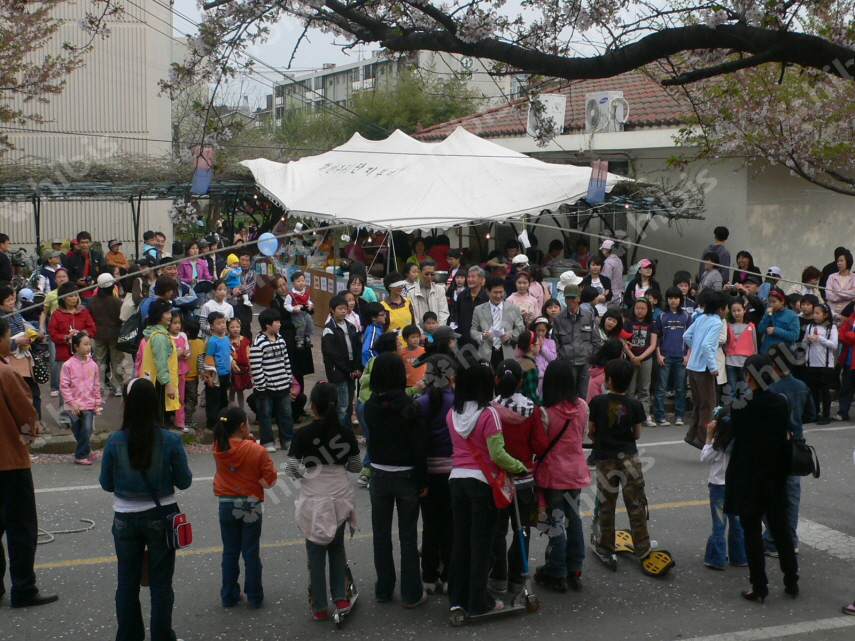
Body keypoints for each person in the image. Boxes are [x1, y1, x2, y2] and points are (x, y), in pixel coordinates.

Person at [99, 377, 193, 640]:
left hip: (125, 519)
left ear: (127, 405)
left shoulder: (114, 440)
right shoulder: (170, 440)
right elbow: (184, 481)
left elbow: (106, 484)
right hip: (161, 516)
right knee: (161, 584)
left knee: (126, 583)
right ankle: (162, 636)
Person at [447, 353, 527, 616]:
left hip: (456, 480)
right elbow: (498, 454)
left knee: (460, 541)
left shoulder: (453, 413)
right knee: (481, 544)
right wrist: (519, 467)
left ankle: (458, 597)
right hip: (482, 484)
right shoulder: (489, 414)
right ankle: (479, 601)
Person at [723, 353, 799, 603]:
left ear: (748, 375)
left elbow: (736, 433)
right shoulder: (780, 401)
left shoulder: (740, 403)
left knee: (752, 531)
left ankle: (759, 585)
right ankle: (791, 580)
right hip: (775, 472)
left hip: (747, 473)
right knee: (780, 528)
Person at [286, 382, 362, 620]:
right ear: (338, 405)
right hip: (339, 495)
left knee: (315, 550)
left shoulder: (303, 434)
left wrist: (305, 476)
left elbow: (290, 468)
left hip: (313, 497)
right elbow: (356, 466)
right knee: (337, 547)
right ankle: (340, 597)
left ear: (313, 406)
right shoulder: (346, 433)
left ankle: (319, 606)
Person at [363, 352, 428, 607]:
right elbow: (419, 448)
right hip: (407, 474)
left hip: (378, 474)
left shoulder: (369, 407)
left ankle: (384, 588)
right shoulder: (412, 407)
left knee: (381, 535)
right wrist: (423, 481)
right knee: (408, 536)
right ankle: (411, 592)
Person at [0, 315, 56, 607]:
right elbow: (27, 416)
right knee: (21, 528)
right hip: (10, 462)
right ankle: (23, 588)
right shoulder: (6, 373)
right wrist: (26, 439)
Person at [589, 358, 658, 566]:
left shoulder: (597, 402)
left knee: (606, 504)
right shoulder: (635, 404)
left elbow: (591, 432)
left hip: (605, 459)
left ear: (608, 380)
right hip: (629, 457)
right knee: (635, 502)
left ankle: (605, 547)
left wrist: (601, 438)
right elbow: (636, 434)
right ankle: (642, 546)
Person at [488, 359, 547, 595]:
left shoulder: (490, 409)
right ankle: (517, 577)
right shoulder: (532, 409)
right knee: (521, 530)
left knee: (498, 530)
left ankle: (498, 576)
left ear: (496, 380)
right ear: (521, 382)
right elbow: (540, 444)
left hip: (498, 482)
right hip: (524, 481)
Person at [532, 359, 590, 592]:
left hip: (553, 473)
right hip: (575, 470)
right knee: (573, 517)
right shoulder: (583, 406)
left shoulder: (545, 412)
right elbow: (583, 434)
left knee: (555, 520)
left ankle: (556, 569)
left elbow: (540, 444)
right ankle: (575, 567)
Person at [213, 406, 277, 609]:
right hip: (250, 503)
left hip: (226, 503)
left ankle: (229, 594)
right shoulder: (257, 450)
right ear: (242, 426)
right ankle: (255, 595)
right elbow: (270, 479)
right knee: (251, 551)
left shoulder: (218, 447)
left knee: (230, 552)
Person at [417, 355, 456, 595]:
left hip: (428, 473)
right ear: (451, 378)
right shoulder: (459, 402)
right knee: (451, 525)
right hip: (453, 471)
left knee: (430, 525)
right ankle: (450, 575)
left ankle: (429, 576)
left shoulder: (420, 403)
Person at [701, 408, 747, 570]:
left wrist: (708, 437)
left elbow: (705, 458)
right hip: (737, 486)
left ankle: (716, 559)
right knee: (737, 523)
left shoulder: (717, 443)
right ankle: (739, 557)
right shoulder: (742, 442)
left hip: (718, 486)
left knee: (719, 524)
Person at [682, 291, 729, 449]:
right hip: (704, 369)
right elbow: (707, 346)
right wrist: (713, 367)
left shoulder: (701, 318)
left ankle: (691, 434)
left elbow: (686, 336)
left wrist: (694, 350)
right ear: (721, 309)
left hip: (692, 366)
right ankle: (703, 439)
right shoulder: (716, 323)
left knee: (698, 403)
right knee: (708, 404)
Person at [250, 308, 294, 453]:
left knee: (286, 415)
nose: (279, 324)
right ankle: (267, 441)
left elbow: (286, 360)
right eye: (277, 322)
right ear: (268, 324)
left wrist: (289, 379)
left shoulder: (280, 339)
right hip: (266, 388)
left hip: (282, 385)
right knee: (265, 416)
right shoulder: (259, 342)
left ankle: (287, 440)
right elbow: (256, 366)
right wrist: (261, 386)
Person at [552, 284, 603, 399]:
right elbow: (555, 343)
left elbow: (596, 340)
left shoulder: (588, 315)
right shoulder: (558, 318)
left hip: (586, 363)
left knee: (585, 394)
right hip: (567, 363)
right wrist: (560, 361)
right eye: (567, 297)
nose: (570, 300)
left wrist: (593, 359)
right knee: (568, 395)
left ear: (579, 298)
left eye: (573, 297)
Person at [60, 333, 102, 465]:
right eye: (85, 344)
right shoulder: (68, 365)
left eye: (89, 344)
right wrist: (72, 403)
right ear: (76, 347)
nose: (89, 347)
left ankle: (79, 455)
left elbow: (96, 385)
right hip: (74, 405)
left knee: (87, 429)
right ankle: (87, 449)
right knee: (77, 430)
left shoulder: (93, 365)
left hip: (89, 404)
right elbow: (64, 386)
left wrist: (97, 403)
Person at [322, 295, 362, 428]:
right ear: (332, 310)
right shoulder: (329, 329)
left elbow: (357, 347)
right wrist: (347, 369)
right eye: (340, 308)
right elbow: (332, 354)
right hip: (338, 372)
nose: (343, 311)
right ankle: (339, 434)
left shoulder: (351, 327)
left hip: (351, 371)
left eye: (345, 308)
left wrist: (356, 367)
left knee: (349, 406)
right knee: (342, 407)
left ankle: (348, 434)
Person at [654, 287, 692, 427]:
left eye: (676, 298)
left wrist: (688, 355)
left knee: (681, 388)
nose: (673, 300)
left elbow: (690, 338)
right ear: (667, 299)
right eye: (670, 298)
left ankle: (679, 416)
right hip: (665, 356)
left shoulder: (687, 317)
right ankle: (660, 416)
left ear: (680, 299)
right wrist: (658, 354)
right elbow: (656, 338)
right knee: (661, 388)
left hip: (681, 356)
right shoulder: (661, 316)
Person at [471, 276, 525, 371]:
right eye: (495, 292)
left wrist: (510, 335)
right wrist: (482, 336)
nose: (499, 295)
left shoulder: (514, 309)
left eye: (501, 292)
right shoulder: (479, 310)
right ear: (487, 291)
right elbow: (473, 330)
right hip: (486, 352)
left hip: (506, 352)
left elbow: (520, 329)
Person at [140, 299, 180, 426]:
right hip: (160, 384)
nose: (170, 316)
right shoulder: (160, 337)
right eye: (167, 313)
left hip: (156, 381)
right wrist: (168, 385)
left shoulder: (158, 333)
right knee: (161, 421)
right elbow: (161, 363)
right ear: (158, 315)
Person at [623, 297, 659, 426]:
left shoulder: (652, 324)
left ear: (648, 310)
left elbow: (653, 345)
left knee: (645, 389)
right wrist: (632, 357)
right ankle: (629, 416)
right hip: (630, 358)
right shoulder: (628, 323)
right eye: (637, 308)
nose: (640, 311)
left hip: (646, 359)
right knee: (630, 389)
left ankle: (645, 415)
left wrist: (640, 357)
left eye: (643, 308)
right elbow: (623, 341)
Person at [89, 273, 125, 397]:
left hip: (98, 334)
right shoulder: (116, 301)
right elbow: (121, 318)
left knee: (99, 361)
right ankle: (118, 387)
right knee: (116, 361)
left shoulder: (92, 301)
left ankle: (99, 388)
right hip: (115, 334)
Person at [803, 303, 837, 424]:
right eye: (814, 313)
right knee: (813, 391)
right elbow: (803, 344)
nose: (815, 316)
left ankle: (826, 415)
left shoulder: (831, 328)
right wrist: (806, 341)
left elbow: (834, 345)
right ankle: (815, 413)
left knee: (825, 391)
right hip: (811, 363)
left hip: (825, 365)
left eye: (818, 313)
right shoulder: (810, 326)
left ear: (826, 315)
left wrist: (820, 339)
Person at [724, 299, 757, 400]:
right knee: (731, 390)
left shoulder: (751, 326)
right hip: (731, 361)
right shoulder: (728, 325)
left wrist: (754, 360)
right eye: (733, 311)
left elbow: (754, 344)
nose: (736, 313)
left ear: (744, 310)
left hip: (746, 362)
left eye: (739, 310)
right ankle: (731, 414)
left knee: (746, 389)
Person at [204, 312, 232, 429]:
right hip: (215, 375)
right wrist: (209, 376)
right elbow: (209, 358)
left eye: (223, 322)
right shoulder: (212, 341)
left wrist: (233, 364)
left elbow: (228, 353)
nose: (222, 325)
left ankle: (223, 420)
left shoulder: (226, 338)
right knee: (213, 400)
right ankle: (212, 423)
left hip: (226, 373)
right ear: (212, 326)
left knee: (223, 398)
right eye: (219, 323)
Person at [408, 259, 450, 330]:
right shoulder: (411, 292)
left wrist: (438, 329)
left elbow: (444, 312)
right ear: (420, 272)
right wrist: (420, 332)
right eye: (427, 274)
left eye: (432, 274)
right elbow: (413, 316)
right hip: (419, 334)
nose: (429, 276)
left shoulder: (440, 290)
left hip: (437, 331)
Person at [454, 266, 489, 348]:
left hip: (481, 341)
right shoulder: (462, 296)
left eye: (473, 277)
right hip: (463, 340)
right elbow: (457, 315)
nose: (470, 280)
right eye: (469, 277)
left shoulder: (487, 297)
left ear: (481, 279)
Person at [757, 288, 800, 354]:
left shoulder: (792, 316)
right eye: (770, 302)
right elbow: (760, 330)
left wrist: (776, 330)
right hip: (766, 351)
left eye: (774, 302)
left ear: (782, 301)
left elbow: (794, 335)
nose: (771, 304)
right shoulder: (769, 313)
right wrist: (767, 316)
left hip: (782, 353)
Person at [65, 231, 105, 300]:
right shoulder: (73, 258)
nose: (85, 245)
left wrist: (95, 280)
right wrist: (76, 280)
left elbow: (104, 269)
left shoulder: (97, 255)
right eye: (82, 242)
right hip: (79, 294)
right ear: (78, 244)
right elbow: (69, 274)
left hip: (96, 292)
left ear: (90, 242)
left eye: (87, 242)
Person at [168, 314, 191, 431]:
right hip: (170, 371)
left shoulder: (183, 336)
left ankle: (180, 421)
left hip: (182, 370)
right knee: (169, 396)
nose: (177, 326)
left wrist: (186, 354)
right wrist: (179, 354)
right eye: (174, 323)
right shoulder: (167, 337)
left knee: (181, 397)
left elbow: (188, 350)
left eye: (179, 323)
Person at [380, 272, 415, 339]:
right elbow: (382, 329)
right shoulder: (383, 306)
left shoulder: (408, 302)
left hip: (408, 345)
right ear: (389, 287)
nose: (400, 287)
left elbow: (413, 323)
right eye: (397, 285)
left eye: (401, 284)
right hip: (391, 345)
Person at [231, 252, 257, 339]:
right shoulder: (232, 272)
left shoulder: (252, 273)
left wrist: (238, 290)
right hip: (233, 302)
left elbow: (250, 286)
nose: (245, 263)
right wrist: (232, 290)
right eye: (242, 260)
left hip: (245, 304)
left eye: (247, 260)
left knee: (245, 327)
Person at [184, 317, 204, 428]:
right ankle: (188, 421)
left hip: (180, 376)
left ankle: (180, 419)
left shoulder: (181, 341)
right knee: (191, 400)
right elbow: (200, 361)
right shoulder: (200, 343)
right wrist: (203, 373)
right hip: (192, 378)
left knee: (181, 399)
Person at [227, 318, 252, 410]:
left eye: (237, 327)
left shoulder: (244, 340)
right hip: (232, 369)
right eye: (232, 327)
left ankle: (242, 411)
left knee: (240, 391)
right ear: (227, 329)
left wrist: (250, 367)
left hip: (243, 369)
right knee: (232, 390)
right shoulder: (227, 341)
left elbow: (248, 354)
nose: (235, 329)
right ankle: (230, 409)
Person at [285, 271, 315, 348]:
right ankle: (299, 340)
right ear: (293, 283)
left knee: (310, 322)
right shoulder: (291, 294)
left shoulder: (306, 292)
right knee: (301, 324)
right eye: (298, 281)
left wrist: (310, 305)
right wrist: (293, 309)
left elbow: (308, 300)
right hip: (296, 313)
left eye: (303, 281)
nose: (301, 283)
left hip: (305, 312)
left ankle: (307, 336)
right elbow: (286, 305)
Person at [825, 250, 855, 318]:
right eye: (838, 261)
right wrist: (845, 295)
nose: (839, 263)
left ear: (848, 261)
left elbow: (852, 294)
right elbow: (828, 295)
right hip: (832, 312)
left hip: (848, 312)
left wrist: (836, 291)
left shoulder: (854, 277)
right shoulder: (831, 277)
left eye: (841, 261)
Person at [599, 239, 624, 306]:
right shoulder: (619, 260)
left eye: (603, 249)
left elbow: (606, 279)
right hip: (619, 294)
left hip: (611, 295)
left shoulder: (608, 262)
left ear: (606, 250)